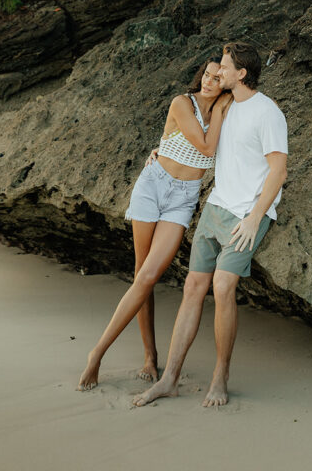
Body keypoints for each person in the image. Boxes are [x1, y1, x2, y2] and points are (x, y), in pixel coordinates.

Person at [134, 40, 287, 408]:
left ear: (242, 73)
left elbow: (278, 170)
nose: (218, 70)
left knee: (221, 286)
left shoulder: (268, 113)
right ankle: (169, 378)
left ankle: (221, 376)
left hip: (245, 214)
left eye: (224, 65)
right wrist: (160, 149)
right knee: (192, 287)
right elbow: (191, 137)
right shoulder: (225, 104)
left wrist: (254, 218)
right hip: (217, 205)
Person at [77, 56, 231, 390]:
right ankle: (137, 357)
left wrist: (222, 109)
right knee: (140, 275)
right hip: (153, 184)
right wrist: (219, 110)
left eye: (217, 78)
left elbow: (221, 148)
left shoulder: (225, 112)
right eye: (206, 74)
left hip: (183, 198)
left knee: (148, 275)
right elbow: (205, 147)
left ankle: (99, 352)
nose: (208, 81)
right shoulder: (181, 103)